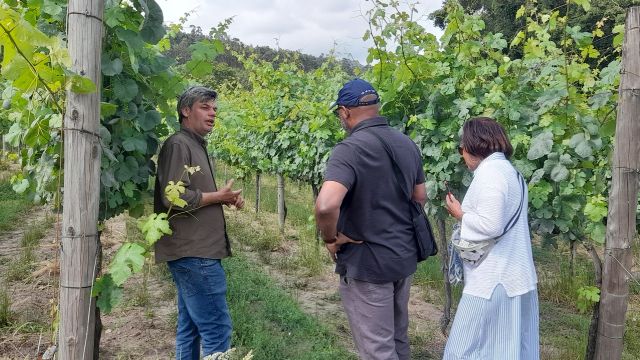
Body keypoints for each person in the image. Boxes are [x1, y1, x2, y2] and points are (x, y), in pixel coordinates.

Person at [315, 78, 426, 360]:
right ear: (377, 107)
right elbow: (420, 197)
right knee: (398, 337)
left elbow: (327, 205)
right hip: (403, 256)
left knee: (377, 348)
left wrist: (330, 238)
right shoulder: (406, 143)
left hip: (368, 261)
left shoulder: (349, 150)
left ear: (344, 111)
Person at [154, 86, 245, 360]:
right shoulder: (179, 144)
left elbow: (192, 194)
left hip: (194, 252)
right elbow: (173, 196)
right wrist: (218, 196)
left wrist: (223, 199)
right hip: (195, 254)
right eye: (205, 107)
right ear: (185, 111)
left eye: (214, 108)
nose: (213, 112)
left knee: (190, 327)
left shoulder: (193, 145)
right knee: (217, 329)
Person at [443, 117, 539, 359]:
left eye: (462, 147)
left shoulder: (491, 175)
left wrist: (460, 215)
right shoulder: (511, 173)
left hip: (493, 280)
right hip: (513, 275)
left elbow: (491, 224)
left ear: (474, 146)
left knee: (462, 350)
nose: (461, 153)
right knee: (505, 348)